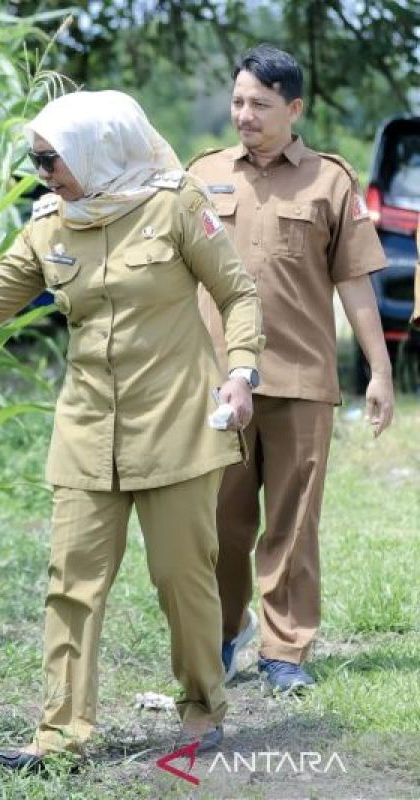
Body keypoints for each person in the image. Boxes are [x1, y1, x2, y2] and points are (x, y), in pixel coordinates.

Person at [0, 90, 263, 770]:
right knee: (72, 582)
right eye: (36, 161)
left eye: (51, 159)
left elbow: (238, 292)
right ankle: (60, 735)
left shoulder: (175, 206)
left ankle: (202, 709)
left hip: (178, 425)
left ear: (99, 151)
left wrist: (241, 371)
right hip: (88, 429)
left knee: (180, 576)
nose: (42, 174)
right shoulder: (49, 227)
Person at [189, 45, 395, 695]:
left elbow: (355, 283)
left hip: (301, 378)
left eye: (260, 104)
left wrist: (380, 372)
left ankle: (285, 651)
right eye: (238, 102)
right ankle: (223, 634)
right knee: (216, 520)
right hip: (217, 383)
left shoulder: (330, 181)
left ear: (294, 108)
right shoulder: (202, 175)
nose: (244, 115)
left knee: (292, 523)